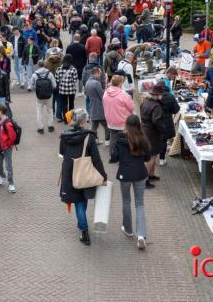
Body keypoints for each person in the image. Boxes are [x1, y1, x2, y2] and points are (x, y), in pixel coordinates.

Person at [59, 108, 107, 246]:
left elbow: (62, 152)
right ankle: (84, 230)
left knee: (78, 201)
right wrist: (103, 175)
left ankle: (82, 225)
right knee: (82, 200)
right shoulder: (89, 137)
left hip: (69, 172)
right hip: (85, 173)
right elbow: (96, 159)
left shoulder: (64, 136)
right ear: (83, 120)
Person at [110, 115, 151, 249]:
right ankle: (141, 235)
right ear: (138, 125)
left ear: (126, 125)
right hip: (140, 174)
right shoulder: (143, 139)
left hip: (125, 175)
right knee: (140, 204)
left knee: (126, 201)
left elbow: (114, 157)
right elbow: (147, 158)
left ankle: (128, 229)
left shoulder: (119, 139)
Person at [103, 73, 135, 158]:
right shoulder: (123, 94)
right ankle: (123, 157)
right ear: (120, 83)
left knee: (113, 138)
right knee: (124, 139)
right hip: (122, 121)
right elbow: (132, 107)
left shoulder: (106, 93)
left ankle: (113, 155)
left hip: (110, 120)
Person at [140, 84, 166, 188]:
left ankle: (150, 175)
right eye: (161, 95)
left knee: (152, 155)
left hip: (145, 130)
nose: (161, 97)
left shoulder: (145, 102)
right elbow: (157, 121)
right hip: (152, 133)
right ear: (157, 95)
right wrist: (163, 130)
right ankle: (145, 180)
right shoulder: (156, 106)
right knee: (151, 157)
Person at [84, 66, 110, 146]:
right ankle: (107, 141)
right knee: (106, 125)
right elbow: (102, 95)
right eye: (100, 73)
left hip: (92, 106)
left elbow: (86, 93)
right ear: (96, 73)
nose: (100, 75)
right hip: (99, 107)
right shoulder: (96, 83)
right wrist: (106, 90)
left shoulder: (88, 82)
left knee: (94, 126)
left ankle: (94, 140)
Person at [156, 80, 180, 166]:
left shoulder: (153, 96)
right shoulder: (170, 96)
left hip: (154, 121)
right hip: (166, 121)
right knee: (163, 141)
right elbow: (176, 109)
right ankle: (161, 159)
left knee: (154, 139)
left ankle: (153, 157)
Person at [0, 104, 17, 193]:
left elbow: (13, 137)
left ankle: (11, 184)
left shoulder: (7, 124)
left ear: (0, 112)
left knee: (8, 166)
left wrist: (7, 146)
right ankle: (2, 176)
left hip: (6, 148)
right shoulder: (0, 121)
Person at [31, 60, 56, 134]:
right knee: (50, 111)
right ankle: (50, 126)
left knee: (39, 112)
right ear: (44, 65)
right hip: (48, 96)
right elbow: (54, 85)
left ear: (38, 66)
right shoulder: (49, 74)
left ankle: (40, 128)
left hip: (39, 96)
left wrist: (37, 88)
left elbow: (31, 86)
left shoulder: (35, 74)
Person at [55, 54, 79, 123]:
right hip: (71, 90)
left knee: (64, 104)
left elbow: (57, 79)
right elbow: (75, 80)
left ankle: (66, 120)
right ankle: (71, 118)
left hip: (62, 90)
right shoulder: (73, 69)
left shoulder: (59, 69)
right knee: (71, 104)